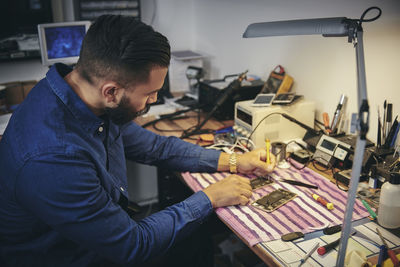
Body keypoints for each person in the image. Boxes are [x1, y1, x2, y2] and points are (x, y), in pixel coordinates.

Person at [0, 15, 275, 266]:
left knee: (194, 238)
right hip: (67, 256)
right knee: (192, 232)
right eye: (151, 93)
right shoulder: (54, 157)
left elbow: (154, 147)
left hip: (96, 236)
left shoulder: (82, 96)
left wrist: (236, 160)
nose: (153, 100)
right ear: (111, 92)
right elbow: (132, 244)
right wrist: (210, 198)